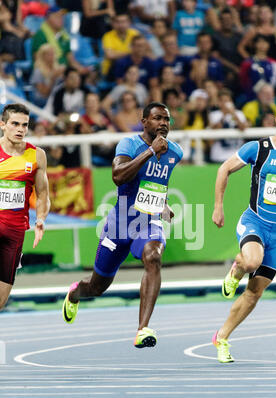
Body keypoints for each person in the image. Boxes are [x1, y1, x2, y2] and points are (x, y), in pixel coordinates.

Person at [62, 101, 183, 348]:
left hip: (148, 223)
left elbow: (156, 182)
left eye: (166, 119)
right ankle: (75, 293)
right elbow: (118, 177)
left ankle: (143, 329)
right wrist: (150, 151)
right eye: (158, 118)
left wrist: (163, 203)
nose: (163, 123)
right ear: (144, 121)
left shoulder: (175, 152)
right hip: (119, 226)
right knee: (97, 287)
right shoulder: (129, 144)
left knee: (154, 257)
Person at [211, 99, 276, 363]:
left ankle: (222, 337)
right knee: (251, 261)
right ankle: (236, 270)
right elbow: (224, 168)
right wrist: (218, 207)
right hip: (254, 222)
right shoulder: (258, 149)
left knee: (255, 293)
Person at [0, 103, 50, 309]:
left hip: (14, 234)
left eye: (25, 125)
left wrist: (40, 220)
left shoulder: (36, 155)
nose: (20, 129)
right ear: (3, 124)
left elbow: (43, 194)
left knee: (1, 299)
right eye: (15, 124)